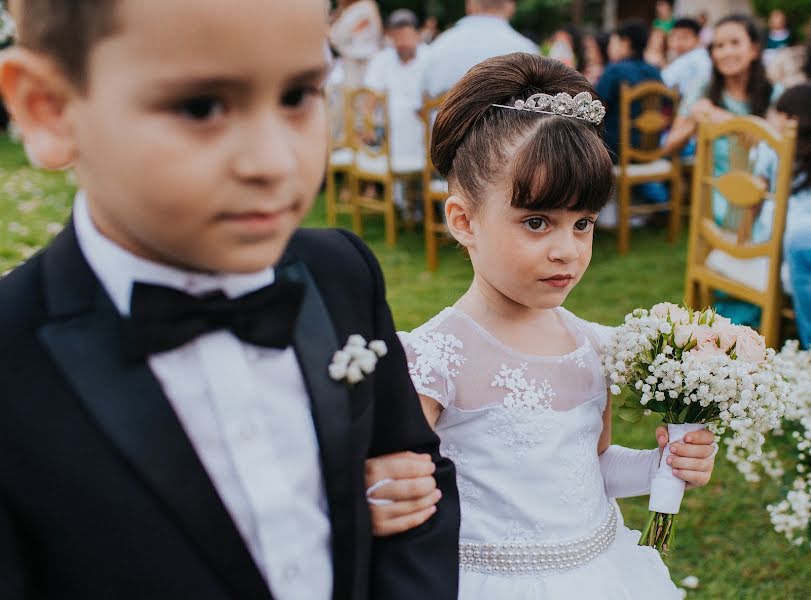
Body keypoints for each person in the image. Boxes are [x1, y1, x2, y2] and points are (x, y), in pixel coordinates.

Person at [0, 0, 460, 598]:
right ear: (50, 109)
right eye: (201, 107)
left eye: (298, 95)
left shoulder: (341, 274)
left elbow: (418, 485)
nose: (273, 162)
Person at [362, 53, 718, 598]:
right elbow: (390, 492)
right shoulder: (436, 359)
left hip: (601, 572)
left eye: (583, 224)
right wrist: (375, 498)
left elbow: (589, 468)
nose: (566, 251)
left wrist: (661, 466)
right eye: (536, 222)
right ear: (464, 221)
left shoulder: (590, 344)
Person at [664, 14, 779, 225]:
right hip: (716, 193)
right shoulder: (703, 89)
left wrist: (725, 120)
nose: (726, 52)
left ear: (754, 49)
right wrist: (694, 122)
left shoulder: (773, 92)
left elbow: (778, 149)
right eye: (719, 46)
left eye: (735, 43)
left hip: (766, 195)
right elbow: (670, 146)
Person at [750, 84, 811, 348]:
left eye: (779, 113)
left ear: (793, 120)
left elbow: (754, 194)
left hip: (787, 227)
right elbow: (755, 191)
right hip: (784, 231)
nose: (772, 119)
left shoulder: (774, 146)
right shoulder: (771, 148)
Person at [364, 9, 426, 207]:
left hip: (424, 128)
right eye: (397, 37)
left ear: (417, 34)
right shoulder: (382, 59)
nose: (402, 42)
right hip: (390, 130)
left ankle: (420, 203)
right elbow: (370, 98)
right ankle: (401, 203)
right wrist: (367, 125)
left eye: (406, 36)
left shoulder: (431, 57)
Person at [420, 0, 538, 99]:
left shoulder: (439, 46)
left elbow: (422, 97)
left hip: (447, 126)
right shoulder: (528, 51)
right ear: (510, 7)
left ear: (469, 5)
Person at [596, 19, 662, 161]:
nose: (609, 48)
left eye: (612, 42)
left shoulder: (614, 70)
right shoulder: (655, 72)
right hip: (651, 150)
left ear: (625, 42)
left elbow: (596, 109)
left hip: (616, 151)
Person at [329, 0, 383, 87]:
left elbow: (335, 36)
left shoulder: (363, 7)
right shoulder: (363, 7)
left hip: (361, 59)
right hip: (357, 58)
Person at [662, 17, 712, 98]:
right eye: (676, 37)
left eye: (684, 37)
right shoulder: (691, 56)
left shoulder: (695, 57)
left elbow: (664, 80)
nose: (679, 42)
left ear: (697, 39)